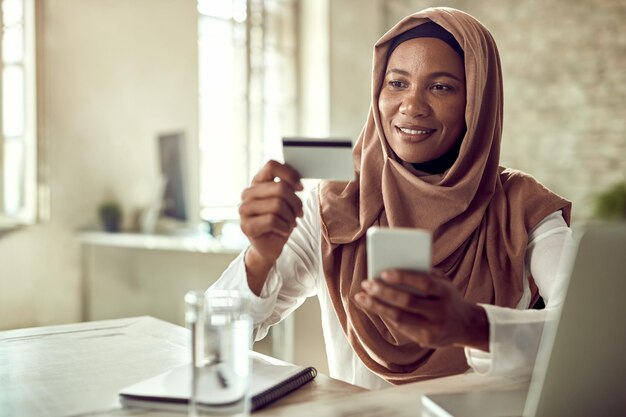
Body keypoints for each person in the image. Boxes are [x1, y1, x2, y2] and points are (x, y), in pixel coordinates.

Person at [210, 7, 572, 389]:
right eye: (397, 83)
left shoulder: (522, 208)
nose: (412, 106)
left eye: (442, 87)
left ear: (477, 102)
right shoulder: (335, 205)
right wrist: (261, 257)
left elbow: (592, 333)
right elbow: (215, 344)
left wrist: (472, 326)